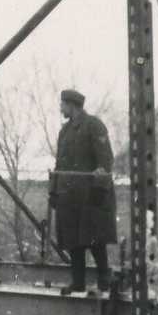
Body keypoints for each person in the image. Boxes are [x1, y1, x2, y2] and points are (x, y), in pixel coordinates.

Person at [49, 89, 117, 294]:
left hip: (89, 193)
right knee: (72, 240)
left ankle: (104, 277)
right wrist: (53, 190)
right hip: (68, 195)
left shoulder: (93, 125)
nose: (61, 107)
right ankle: (78, 281)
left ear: (72, 105)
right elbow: (59, 162)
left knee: (94, 238)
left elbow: (105, 158)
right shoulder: (65, 131)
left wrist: (100, 186)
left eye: (63, 104)